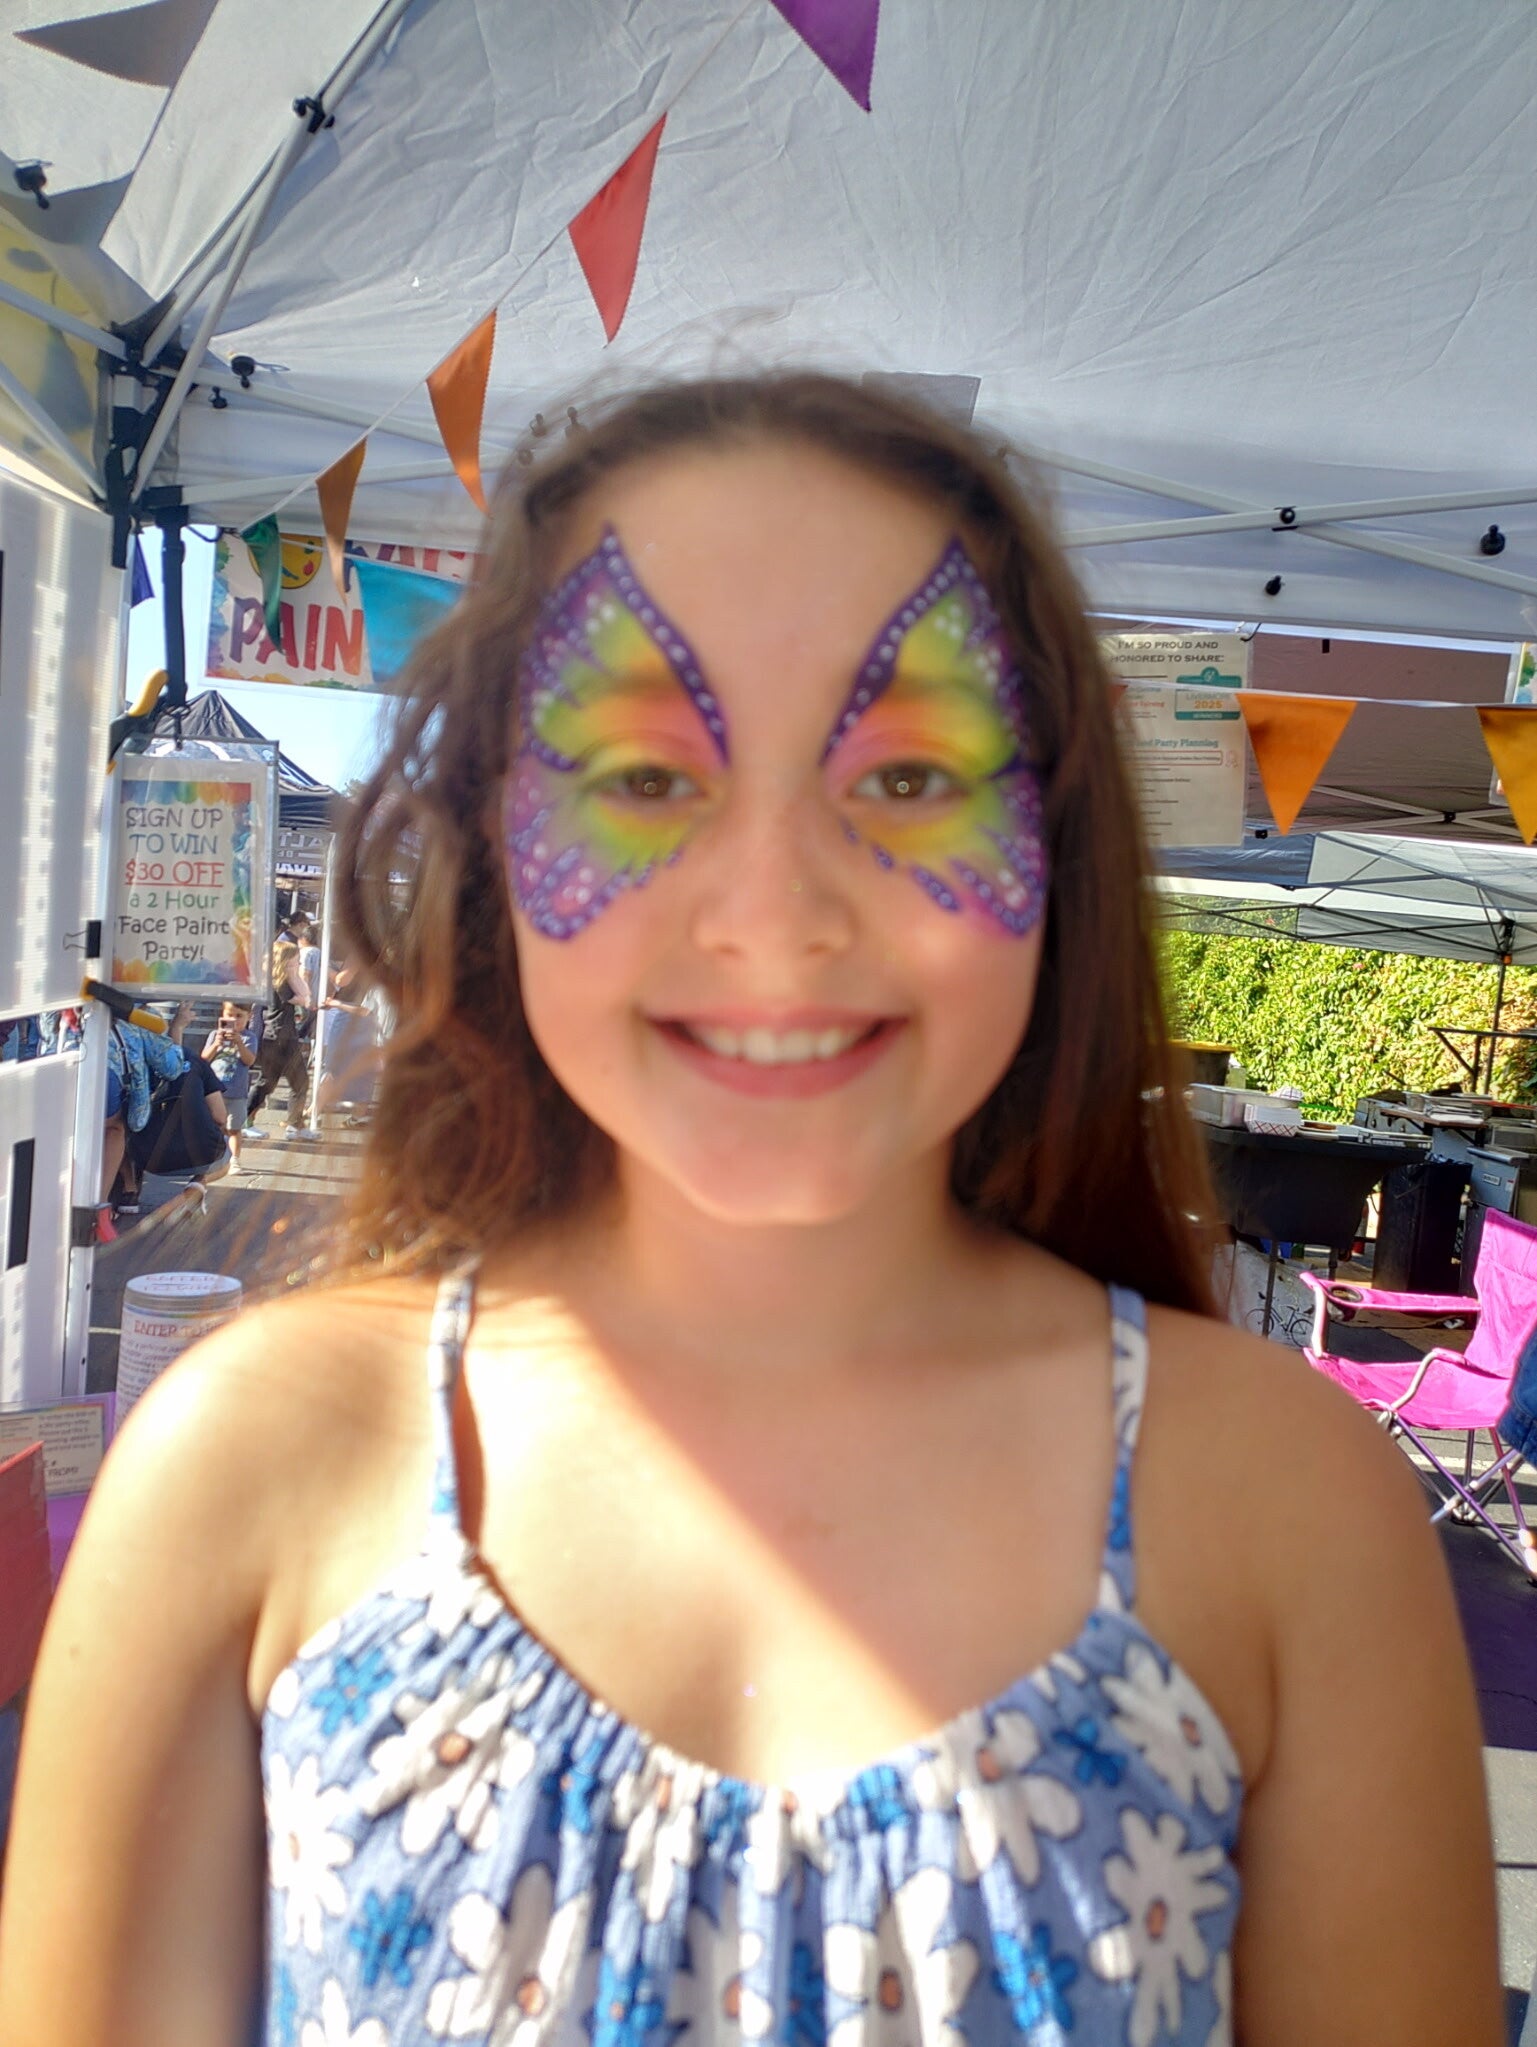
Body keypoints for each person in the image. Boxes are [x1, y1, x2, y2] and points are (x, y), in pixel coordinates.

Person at [0, 374, 1501, 2046]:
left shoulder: (1291, 1515)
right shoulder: (246, 1470)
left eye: (909, 773)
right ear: (495, 843)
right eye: (644, 776)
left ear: (1053, 838)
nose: (774, 913)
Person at [250, 937, 318, 1141]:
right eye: (295, 960)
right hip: (278, 1038)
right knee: (273, 1083)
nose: (298, 964)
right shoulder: (279, 984)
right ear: (284, 961)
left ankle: (293, 1124)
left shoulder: (278, 981)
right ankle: (244, 1120)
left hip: (283, 1037)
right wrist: (294, 974)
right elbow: (305, 997)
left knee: (287, 1083)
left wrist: (294, 973)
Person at [201, 999, 261, 1170]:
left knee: (234, 1128)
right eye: (229, 1015)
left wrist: (239, 1043)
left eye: (239, 1016)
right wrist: (216, 1045)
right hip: (214, 1092)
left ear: (249, 1017)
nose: (234, 1020)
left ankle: (234, 1158)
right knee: (215, 1126)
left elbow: (249, 1060)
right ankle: (214, 1158)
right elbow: (203, 1059)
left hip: (236, 1092)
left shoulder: (249, 1037)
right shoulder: (214, 1035)